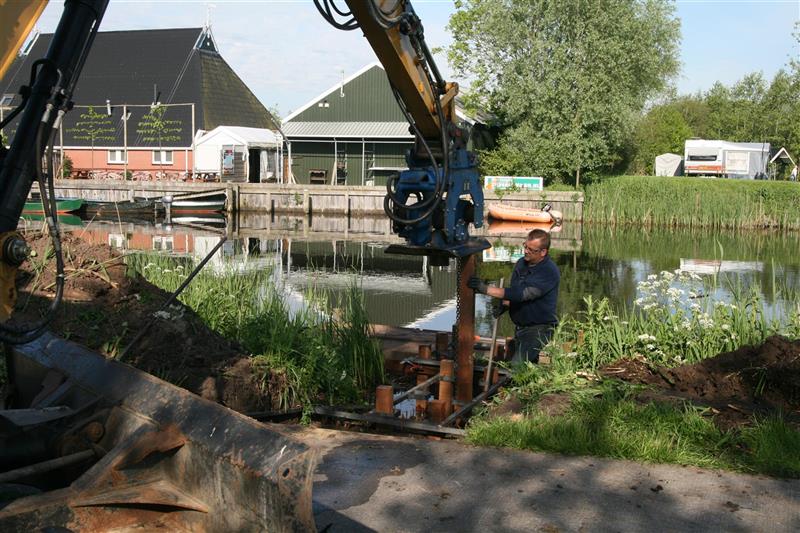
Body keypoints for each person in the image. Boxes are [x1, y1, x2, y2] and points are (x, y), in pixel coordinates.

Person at [468, 228, 560, 364]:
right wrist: (505, 305)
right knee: (527, 365)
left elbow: (522, 294)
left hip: (539, 329)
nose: (526, 251)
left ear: (543, 252)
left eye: (531, 249)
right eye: (525, 246)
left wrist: (485, 289)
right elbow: (514, 292)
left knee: (517, 367)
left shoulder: (548, 272)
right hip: (521, 328)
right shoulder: (522, 263)